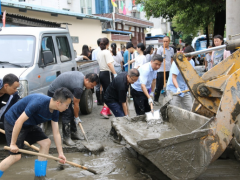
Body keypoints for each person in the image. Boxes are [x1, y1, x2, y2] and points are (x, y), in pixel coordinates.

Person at [0, 88, 72, 178]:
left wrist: (60, 153)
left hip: (29, 123)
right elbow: (19, 122)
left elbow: (56, 132)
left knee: (46, 142)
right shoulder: (38, 103)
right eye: (67, 105)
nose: (67, 108)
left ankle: (39, 176)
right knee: (15, 157)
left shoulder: (55, 111)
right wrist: (13, 144)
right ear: (58, 102)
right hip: (13, 121)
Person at [48, 72, 99, 146]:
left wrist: (75, 116)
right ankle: (66, 138)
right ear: (87, 80)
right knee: (67, 112)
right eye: (91, 85)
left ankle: (73, 133)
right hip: (54, 92)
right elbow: (76, 104)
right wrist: (77, 117)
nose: (92, 88)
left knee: (71, 111)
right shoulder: (79, 87)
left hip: (61, 91)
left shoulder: (82, 77)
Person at [166, 46, 195, 111]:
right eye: (186, 56)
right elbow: (174, 77)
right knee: (174, 110)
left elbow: (191, 76)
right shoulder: (177, 61)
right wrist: (178, 88)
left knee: (190, 109)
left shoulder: (192, 62)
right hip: (174, 89)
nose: (187, 58)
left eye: (189, 57)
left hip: (185, 89)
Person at [97, 38, 117, 119]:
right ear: (108, 44)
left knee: (106, 92)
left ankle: (108, 110)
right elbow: (109, 64)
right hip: (107, 73)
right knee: (109, 93)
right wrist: (115, 73)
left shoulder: (99, 53)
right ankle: (104, 110)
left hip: (101, 73)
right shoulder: (107, 52)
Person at [155, 36, 174, 104]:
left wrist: (172, 68)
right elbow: (157, 60)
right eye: (164, 41)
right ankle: (156, 99)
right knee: (159, 86)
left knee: (169, 85)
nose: (165, 43)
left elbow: (171, 59)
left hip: (169, 70)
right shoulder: (160, 49)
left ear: (169, 42)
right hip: (161, 70)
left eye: (166, 41)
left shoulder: (171, 50)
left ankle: (168, 99)